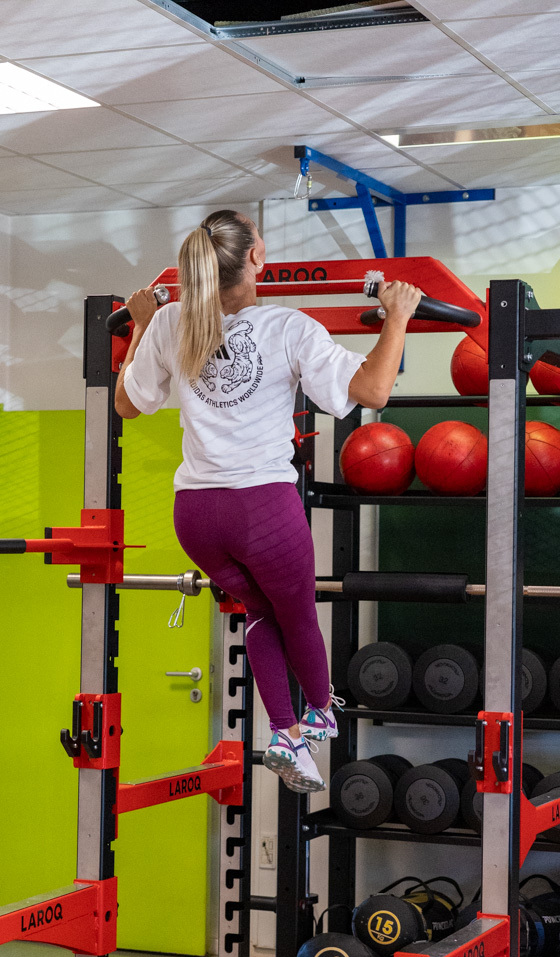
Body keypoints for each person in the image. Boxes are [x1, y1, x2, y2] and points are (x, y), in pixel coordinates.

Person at [115, 209, 420, 794]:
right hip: (262, 510)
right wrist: (398, 317)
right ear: (257, 257)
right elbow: (373, 390)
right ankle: (319, 713)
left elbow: (129, 405)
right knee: (297, 613)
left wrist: (141, 327)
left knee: (260, 612)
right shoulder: (287, 326)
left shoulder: (171, 321)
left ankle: (286, 733)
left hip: (197, 515)